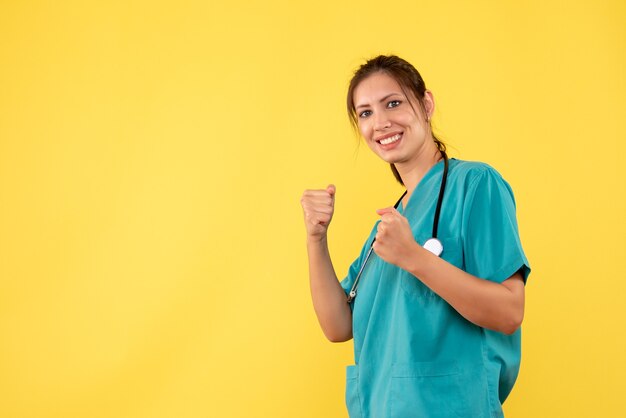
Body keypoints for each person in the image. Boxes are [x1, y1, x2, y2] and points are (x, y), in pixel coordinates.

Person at [300, 55, 530, 418]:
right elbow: (337, 325)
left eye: (393, 103)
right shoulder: (387, 228)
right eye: (365, 113)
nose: (381, 122)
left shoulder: (475, 186)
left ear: (426, 105)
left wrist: (415, 258)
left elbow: (509, 311)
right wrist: (316, 239)